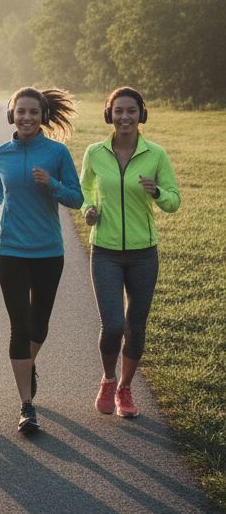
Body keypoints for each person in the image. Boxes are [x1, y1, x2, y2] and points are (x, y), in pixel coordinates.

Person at [0, 87, 83, 434]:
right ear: (11, 115)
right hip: (9, 250)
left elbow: (76, 198)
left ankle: (27, 364)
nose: (26, 118)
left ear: (42, 116)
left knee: (39, 325)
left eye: (32, 112)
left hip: (48, 251)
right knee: (19, 327)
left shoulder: (57, 152)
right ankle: (26, 405)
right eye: (20, 111)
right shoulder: (0, 153)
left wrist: (51, 183)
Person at [80, 86, 180, 419]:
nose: (125, 117)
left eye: (131, 111)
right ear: (109, 114)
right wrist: (89, 209)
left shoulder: (156, 154)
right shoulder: (95, 152)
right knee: (112, 325)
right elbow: (84, 191)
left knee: (136, 324)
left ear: (141, 114)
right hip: (105, 250)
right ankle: (108, 380)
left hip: (143, 254)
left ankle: (125, 388)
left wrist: (158, 192)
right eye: (118, 111)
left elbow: (174, 201)